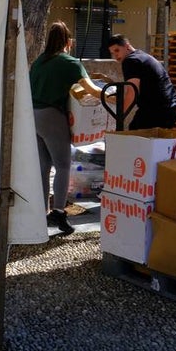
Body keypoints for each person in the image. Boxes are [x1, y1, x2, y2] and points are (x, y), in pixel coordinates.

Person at [29, 21, 105, 234]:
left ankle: (40, 212)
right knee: (63, 165)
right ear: (68, 42)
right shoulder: (70, 63)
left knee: (43, 166)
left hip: (31, 115)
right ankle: (59, 213)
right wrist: (112, 95)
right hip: (51, 116)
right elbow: (92, 90)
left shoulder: (38, 62)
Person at [105, 34, 176, 130]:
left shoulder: (131, 61)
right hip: (171, 108)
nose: (115, 56)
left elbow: (132, 93)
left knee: (134, 138)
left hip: (157, 111)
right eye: (112, 53)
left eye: (117, 50)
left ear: (127, 46)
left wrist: (119, 116)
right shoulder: (142, 56)